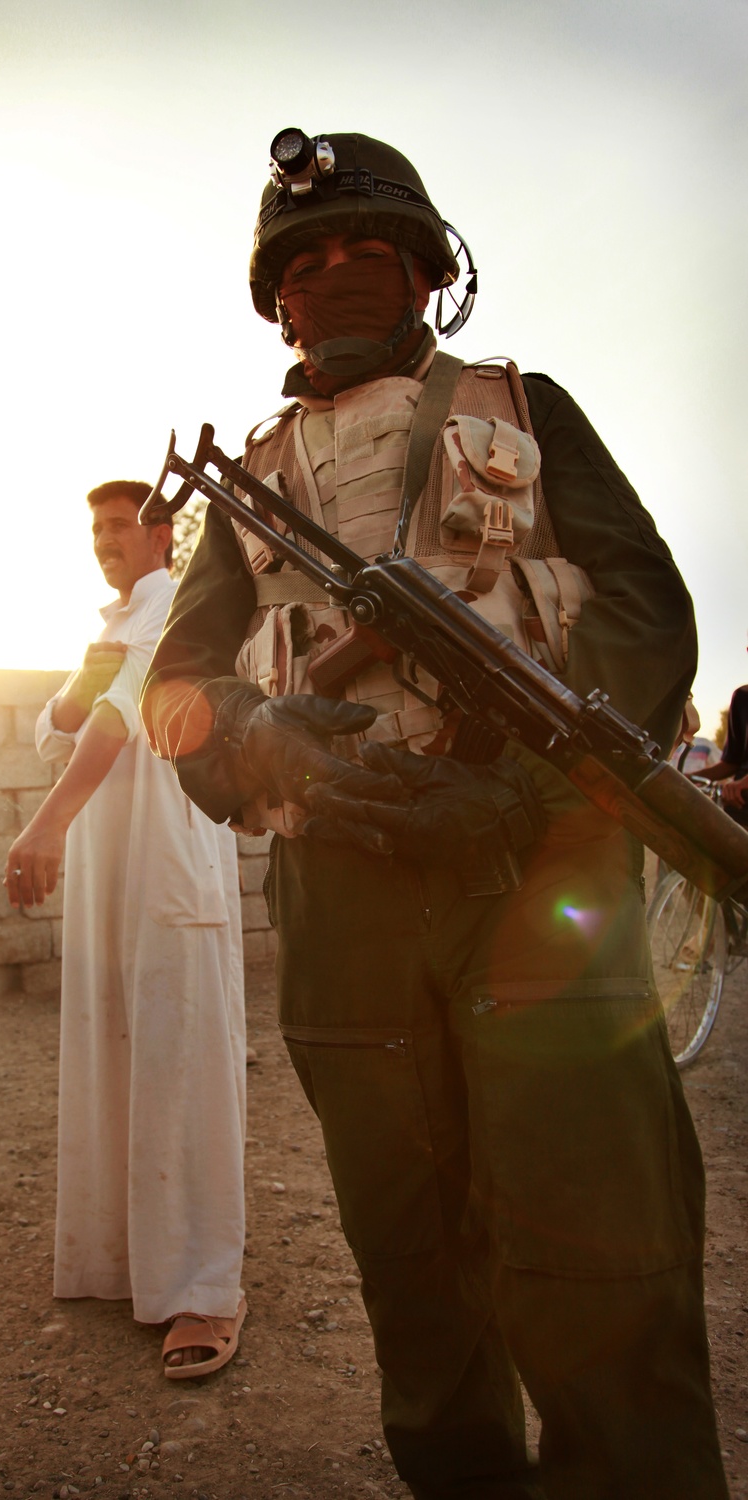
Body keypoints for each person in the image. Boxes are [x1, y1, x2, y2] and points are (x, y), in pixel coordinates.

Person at [140, 131, 728, 1494]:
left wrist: (521, 782)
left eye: (367, 252)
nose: (337, 276)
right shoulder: (248, 485)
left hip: (540, 879)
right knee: (418, 1279)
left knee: (601, 1254)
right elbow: (176, 686)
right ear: (276, 303)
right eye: (306, 265)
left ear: (427, 273)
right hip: (344, 891)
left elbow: (644, 615)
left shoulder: (523, 408)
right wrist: (268, 741)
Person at [4, 479, 247, 1379]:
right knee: (113, 1045)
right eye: (96, 528)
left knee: (180, 1055)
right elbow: (56, 720)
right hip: (111, 864)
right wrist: (80, 694)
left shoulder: (177, 604)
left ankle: (205, 1289)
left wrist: (47, 823)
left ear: (162, 537)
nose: (106, 540)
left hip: (168, 853)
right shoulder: (113, 622)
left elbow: (111, 718)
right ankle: (124, 1264)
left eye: (121, 527)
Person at [686, 654, 748, 825]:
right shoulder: (742, 698)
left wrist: (743, 782)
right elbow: (731, 763)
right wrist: (687, 779)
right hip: (740, 809)